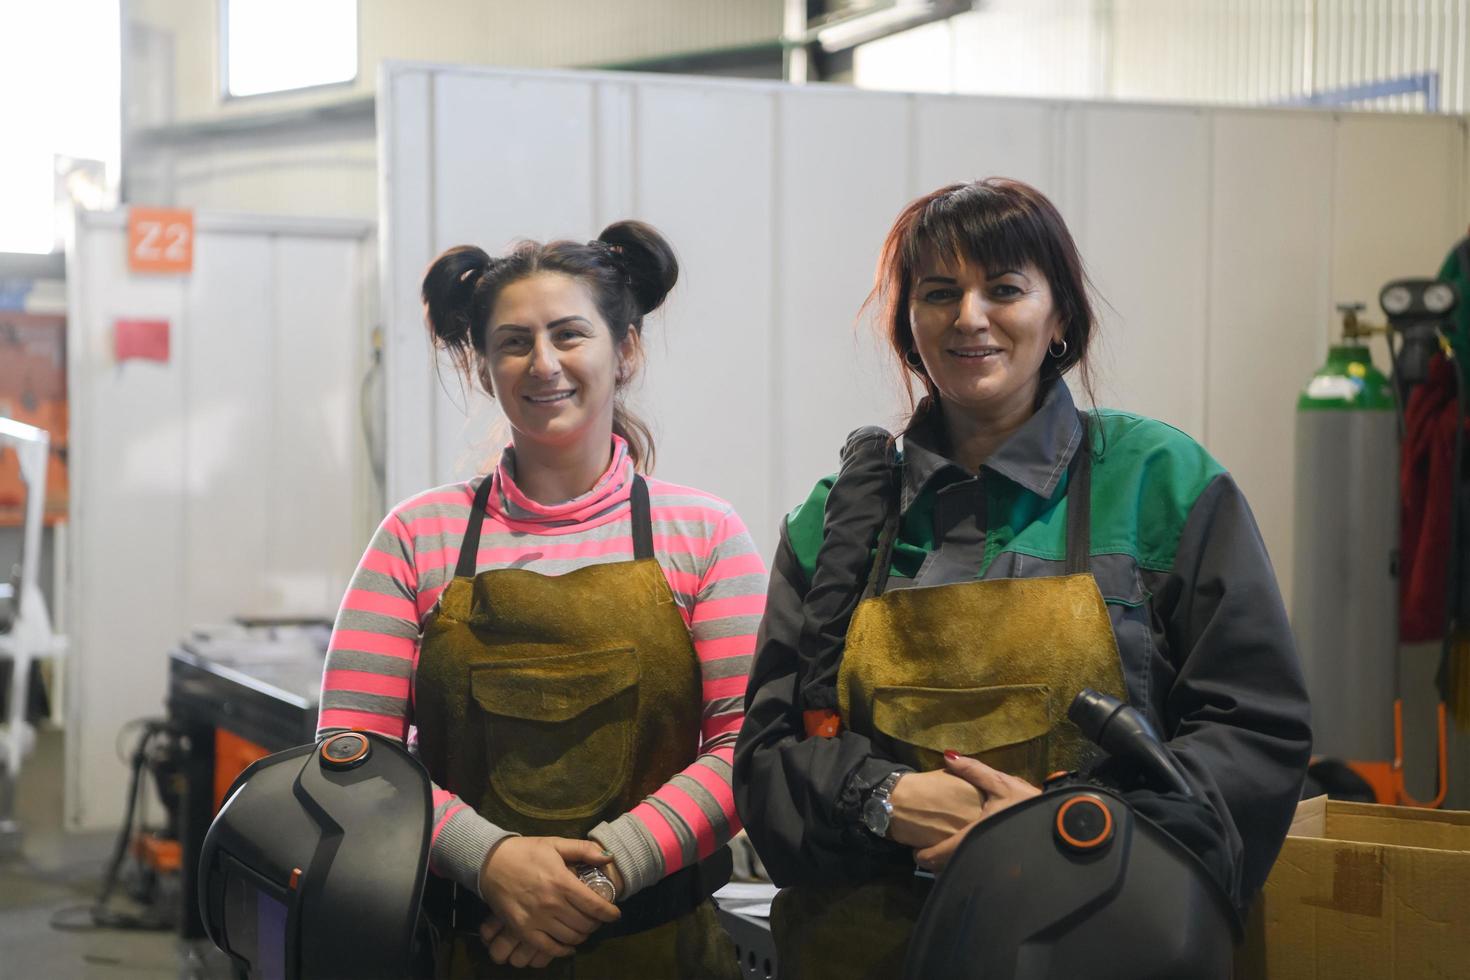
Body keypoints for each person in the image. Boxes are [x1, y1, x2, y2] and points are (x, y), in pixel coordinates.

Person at [733, 178, 1312, 979]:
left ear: (1060, 315)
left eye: (1003, 289)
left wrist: (1064, 832)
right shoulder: (835, 524)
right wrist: (880, 797)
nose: (970, 316)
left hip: (1103, 936)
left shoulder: (1162, 483)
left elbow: (1254, 732)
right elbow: (767, 767)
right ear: (909, 325)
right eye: (940, 294)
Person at [319, 221, 763, 978]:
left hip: (662, 948)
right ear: (485, 367)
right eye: (514, 342)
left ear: (625, 351)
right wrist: (489, 862)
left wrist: (598, 876)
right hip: (461, 946)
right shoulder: (417, 536)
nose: (543, 364)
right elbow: (354, 756)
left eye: (570, 334)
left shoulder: (704, 533)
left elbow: (746, 748)